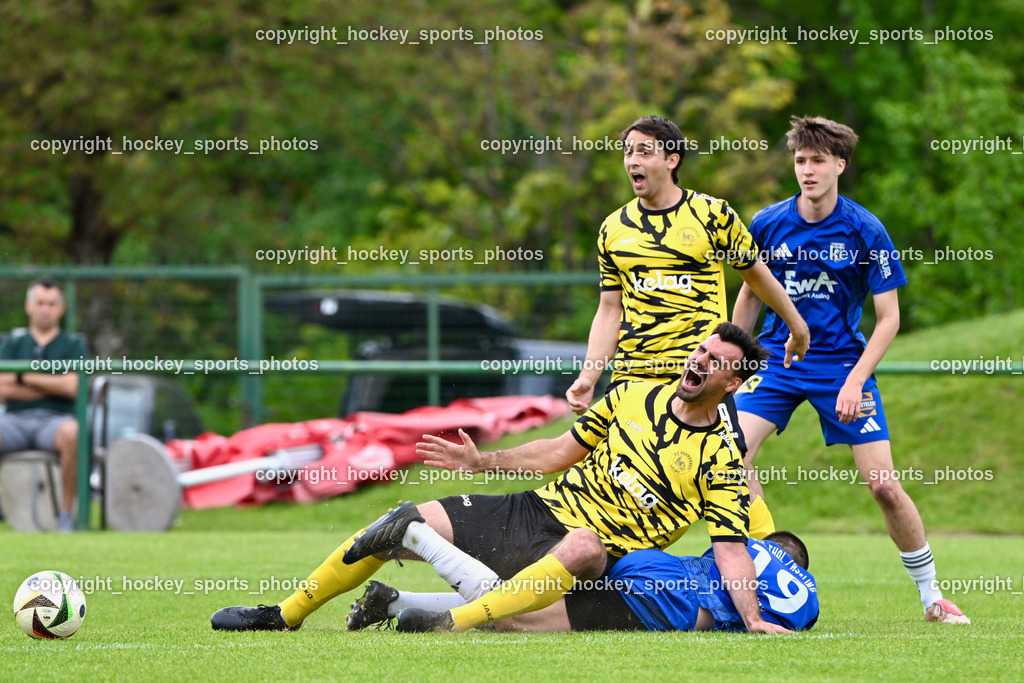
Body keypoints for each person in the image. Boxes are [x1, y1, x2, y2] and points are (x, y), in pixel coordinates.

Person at [212, 323, 789, 634]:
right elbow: (557, 452)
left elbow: (731, 550)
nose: (699, 361)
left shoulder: (722, 460)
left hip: (593, 559)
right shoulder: (635, 394)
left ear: (732, 384)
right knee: (400, 520)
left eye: (715, 362)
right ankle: (284, 615)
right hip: (533, 511)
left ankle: (445, 623)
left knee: (585, 545)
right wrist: (481, 463)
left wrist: (755, 618)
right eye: (700, 351)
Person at [731, 115, 969, 624]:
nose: (808, 170)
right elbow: (749, 294)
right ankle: (763, 561)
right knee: (731, 457)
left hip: (842, 368)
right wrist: (737, 361)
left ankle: (933, 597)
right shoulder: (768, 224)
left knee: (883, 484)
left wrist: (856, 379)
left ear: (840, 164)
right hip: (775, 363)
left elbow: (889, 318)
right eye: (800, 161)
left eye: (818, 161)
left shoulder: (865, 229)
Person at [565, 115, 810, 538]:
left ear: (672, 159)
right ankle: (584, 571)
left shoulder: (712, 215)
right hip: (632, 380)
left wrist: (796, 325)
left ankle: (769, 564)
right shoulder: (612, 228)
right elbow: (609, 310)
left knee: (733, 469)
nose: (632, 161)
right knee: (605, 478)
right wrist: (590, 376)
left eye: (644, 151)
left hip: (699, 375)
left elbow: (756, 275)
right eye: (627, 152)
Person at [347, 531, 818, 634]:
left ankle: (393, 601)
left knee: (530, 600)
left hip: (652, 566)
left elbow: (729, 547)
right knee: (518, 621)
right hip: (664, 602)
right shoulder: (805, 596)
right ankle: (420, 537)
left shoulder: (755, 545)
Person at [0, 277, 88, 532]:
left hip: (55, 422)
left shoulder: (74, 345)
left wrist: (24, 376)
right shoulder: (12, 344)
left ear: (61, 308)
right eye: (40, 302)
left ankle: (65, 515)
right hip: (14, 422)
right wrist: (52, 384)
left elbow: (73, 387)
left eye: (51, 303)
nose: (45, 309)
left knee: (73, 433)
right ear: (28, 306)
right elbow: (1, 388)